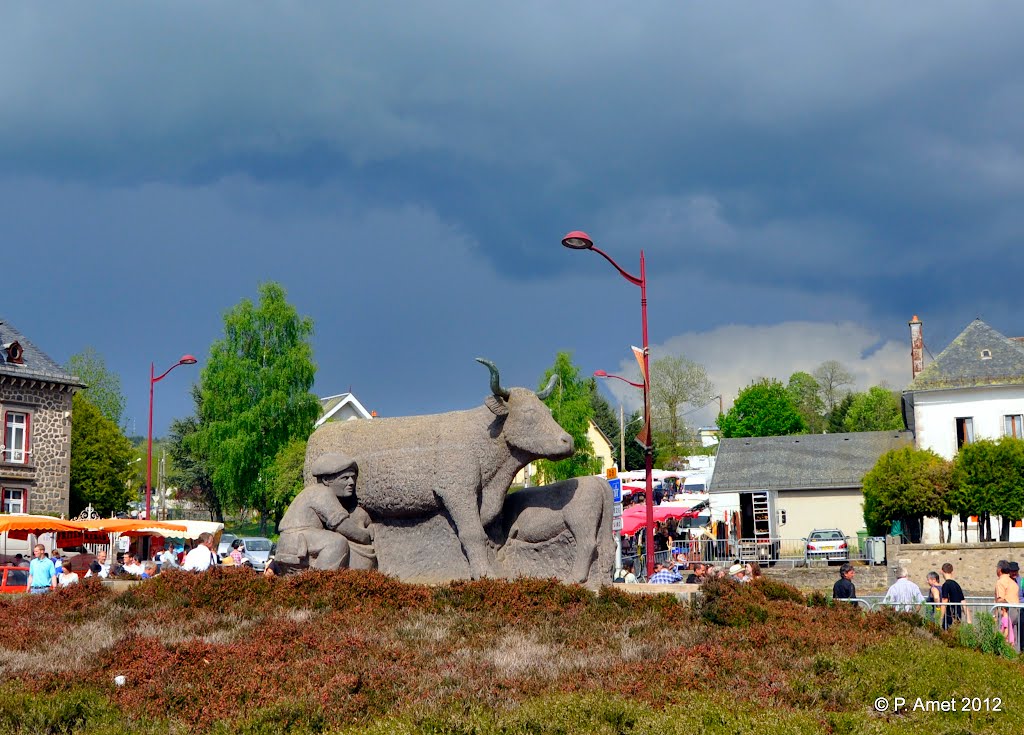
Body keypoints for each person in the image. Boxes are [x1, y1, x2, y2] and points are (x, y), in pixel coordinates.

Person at [276, 453, 376, 570]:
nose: (351, 482)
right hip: (296, 539)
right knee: (337, 543)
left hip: (292, 540)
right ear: (326, 480)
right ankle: (321, 583)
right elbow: (343, 526)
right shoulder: (322, 492)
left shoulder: (311, 491)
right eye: (345, 478)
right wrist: (366, 535)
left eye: (353, 477)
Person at [995, 560, 1020, 651]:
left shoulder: (1001, 582)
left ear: (999, 570)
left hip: (1007, 612)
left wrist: (998, 614)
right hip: (1016, 611)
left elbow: (1000, 600)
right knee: (1012, 637)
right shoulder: (1013, 582)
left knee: (1003, 637)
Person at [939, 562, 969, 629]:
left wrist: (940, 617)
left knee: (946, 635)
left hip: (949, 616)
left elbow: (944, 600)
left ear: (941, 571)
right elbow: (963, 602)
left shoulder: (946, 585)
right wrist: (968, 620)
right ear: (952, 572)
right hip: (957, 615)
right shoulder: (956, 585)